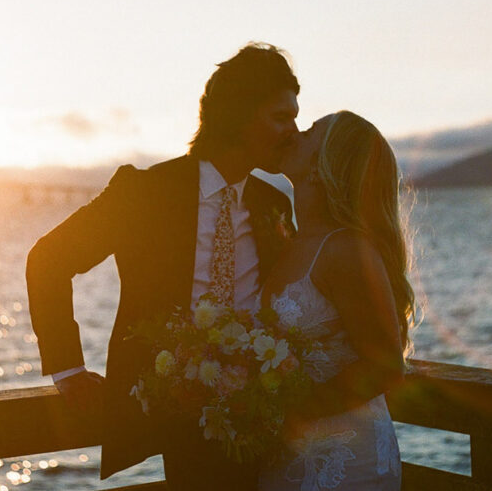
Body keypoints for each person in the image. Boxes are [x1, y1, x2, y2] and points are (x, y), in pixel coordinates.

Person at [26, 43, 300, 490]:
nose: (294, 131)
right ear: (238, 116)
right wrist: (69, 371)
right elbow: (48, 260)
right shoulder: (145, 194)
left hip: (264, 418)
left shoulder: (274, 204)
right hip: (175, 419)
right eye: (280, 117)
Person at [258, 111, 415, 491]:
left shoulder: (345, 248)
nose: (294, 133)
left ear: (321, 166)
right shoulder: (292, 241)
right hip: (288, 455)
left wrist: (293, 413)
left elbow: (386, 366)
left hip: (346, 461)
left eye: (309, 131)